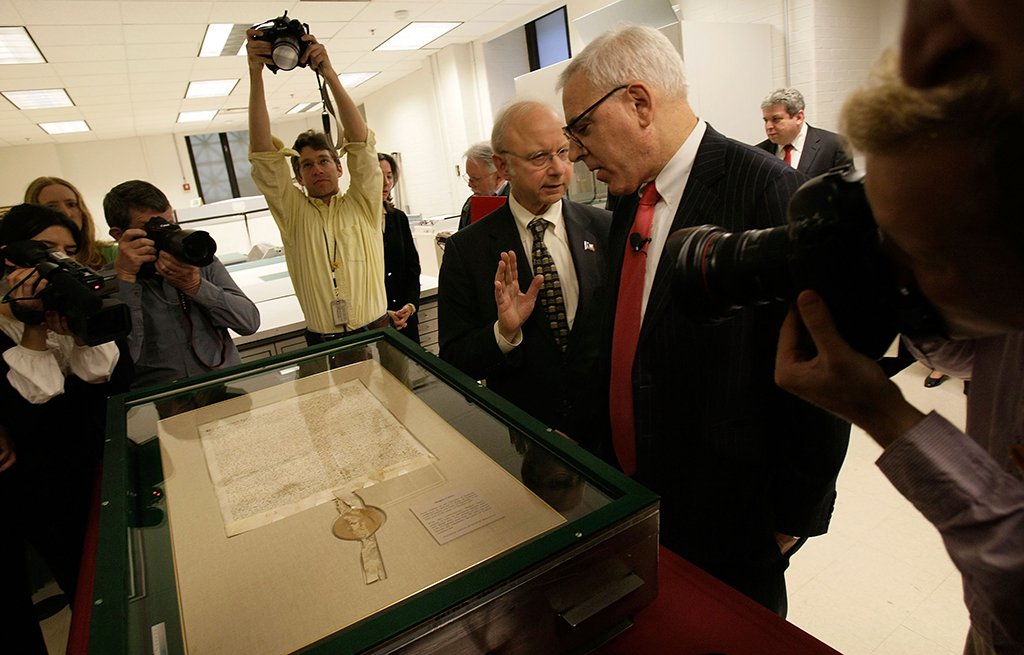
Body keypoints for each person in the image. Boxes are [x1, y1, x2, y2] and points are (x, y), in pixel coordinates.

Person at [558, 25, 850, 616]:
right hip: (635, 502)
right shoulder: (625, 200)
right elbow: (624, 338)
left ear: (638, 103)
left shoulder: (770, 192)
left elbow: (825, 377)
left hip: (732, 523)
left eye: (581, 128)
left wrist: (793, 518)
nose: (576, 151)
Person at [774, 52, 1024, 655]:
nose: (909, 275)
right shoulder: (1005, 289)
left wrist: (884, 413)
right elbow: (988, 359)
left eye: (927, 252)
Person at [439, 101, 612, 454]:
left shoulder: (606, 229)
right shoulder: (467, 251)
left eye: (563, 152)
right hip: (524, 440)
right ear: (502, 165)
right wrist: (503, 333)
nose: (559, 170)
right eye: (539, 158)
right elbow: (455, 362)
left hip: (604, 434)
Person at [0, 204, 131, 654]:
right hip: (45, 496)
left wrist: (76, 329)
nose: (62, 262)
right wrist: (33, 326)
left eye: (69, 251)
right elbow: (25, 416)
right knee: (88, 593)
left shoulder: (75, 313)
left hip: (98, 472)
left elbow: (112, 379)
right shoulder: (6, 326)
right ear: (10, 261)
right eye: (48, 251)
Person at [246, 28, 388, 347]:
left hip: (378, 333)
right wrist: (256, 74)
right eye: (306, 165)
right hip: (323, 343)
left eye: (324, 160)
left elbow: (360, 144)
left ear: (340, 168)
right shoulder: (292, 214)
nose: (317, 169)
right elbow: (263, 156)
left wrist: (329, 74)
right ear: (298, 177)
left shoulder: (363, 204)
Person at [103, 180, 259, 390]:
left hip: (225, 388)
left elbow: (249, 322)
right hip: (160, 402)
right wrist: (126, 278)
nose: (165, 236)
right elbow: (118, 360)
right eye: (151, 230)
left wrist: (195, 286)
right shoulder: (107, 282)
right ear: (119, 235)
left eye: (169, 225)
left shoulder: (199, 261)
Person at [24, 176, 117, 269]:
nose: (67, 214)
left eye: (71, 204)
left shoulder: (114, 254)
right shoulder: (26, 263)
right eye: (51, 207)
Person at [755, 88, 852, 177]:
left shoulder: (834, 145)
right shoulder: (759, 153)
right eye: (766, 120)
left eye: (776, 119)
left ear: (799, 117)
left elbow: (848, 191)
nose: (769, 126)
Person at [378, 153, 421, 344]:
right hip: (377, 321)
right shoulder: (357, 225)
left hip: (406, 318)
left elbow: (412, 265)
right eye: (380, 176)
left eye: (389, 176)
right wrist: (382, 313)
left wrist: (411, 305)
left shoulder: (398, 218)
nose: (386, 183)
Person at [457, 141, 510, 230]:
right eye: (469, 178)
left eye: (475, 179)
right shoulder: (470, 205)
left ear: (499, 175)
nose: (470, 185)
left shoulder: (519, 201)